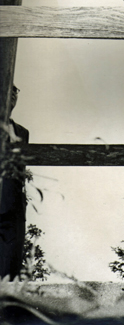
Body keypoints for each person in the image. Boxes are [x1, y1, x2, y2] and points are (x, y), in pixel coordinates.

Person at [0, 85, 29, 280]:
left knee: (10, 265)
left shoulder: (23, 132)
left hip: (13, 206)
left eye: (15, 91)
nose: (12, 95)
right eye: (7, 90)